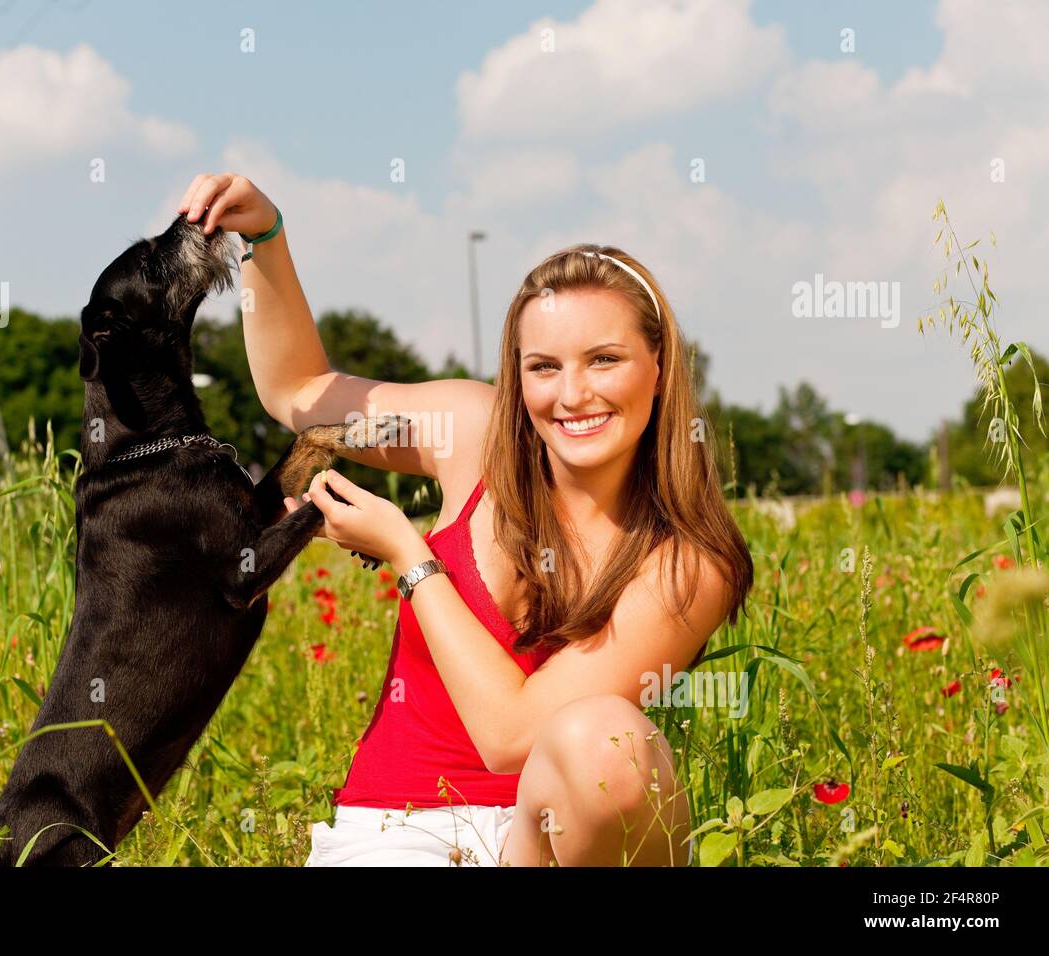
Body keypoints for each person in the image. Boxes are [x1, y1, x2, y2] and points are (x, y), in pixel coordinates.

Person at [177, 173, 753, 866]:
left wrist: (410, 557)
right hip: (397, 829)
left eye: (605, 360)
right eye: (544, 366)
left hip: (551, 841)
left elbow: (512, 736)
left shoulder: (688, 561)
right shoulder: (471, 433)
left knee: (609, 742)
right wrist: (266, 238)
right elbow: (298, 392)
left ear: (658, 368)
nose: (572, 396)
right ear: (517, 375)